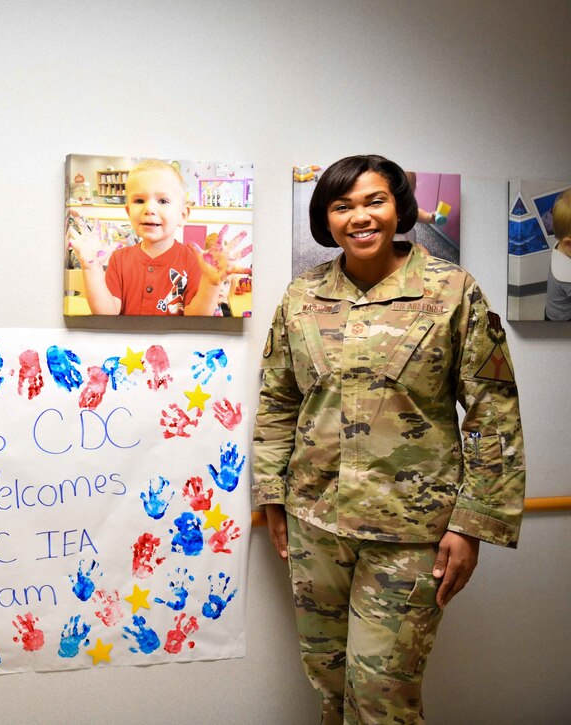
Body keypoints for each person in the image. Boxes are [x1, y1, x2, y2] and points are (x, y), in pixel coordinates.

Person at [253, 154, 524, 724]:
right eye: (342, 206)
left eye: (374, 201)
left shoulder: (450, 291)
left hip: (409, 531)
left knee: (382, 699)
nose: (360, 217)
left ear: (399, 207)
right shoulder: (302, 297)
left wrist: (472, 523)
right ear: (326, 219)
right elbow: (278, 400)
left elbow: (492, 412)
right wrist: (272, 494)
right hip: (315, 521)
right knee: (329, 685)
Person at [66, 159, 228, 315]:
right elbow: (106, 313)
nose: (149, 208)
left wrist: (211, 283)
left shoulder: (193, 260)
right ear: (129, 212)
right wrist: (91, 268)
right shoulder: (118, 260)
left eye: (163, 201)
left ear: (182, 215)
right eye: (139, 200)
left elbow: (196, 318)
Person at [544, 188, 571, 321]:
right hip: (560, 320)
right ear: (568, 243)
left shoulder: (559, 245)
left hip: (551, 308)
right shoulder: (566, 276)